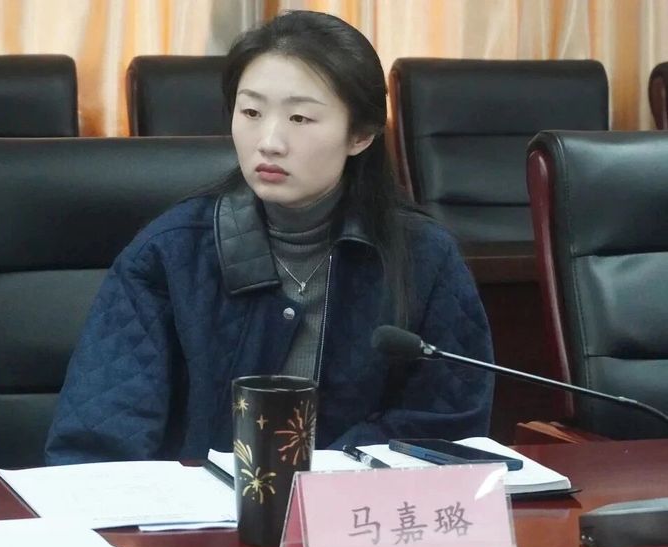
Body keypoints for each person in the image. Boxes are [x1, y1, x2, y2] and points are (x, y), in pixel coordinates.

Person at [45, 10, 493, 465]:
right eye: (251, 112)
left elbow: (447, 426)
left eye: (300, 117)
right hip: (199, 507)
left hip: (358, 504)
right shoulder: (169, 253)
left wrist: (324, 478)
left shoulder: (424, 257)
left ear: (360, 135)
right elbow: (96, 442)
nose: (270, 141)